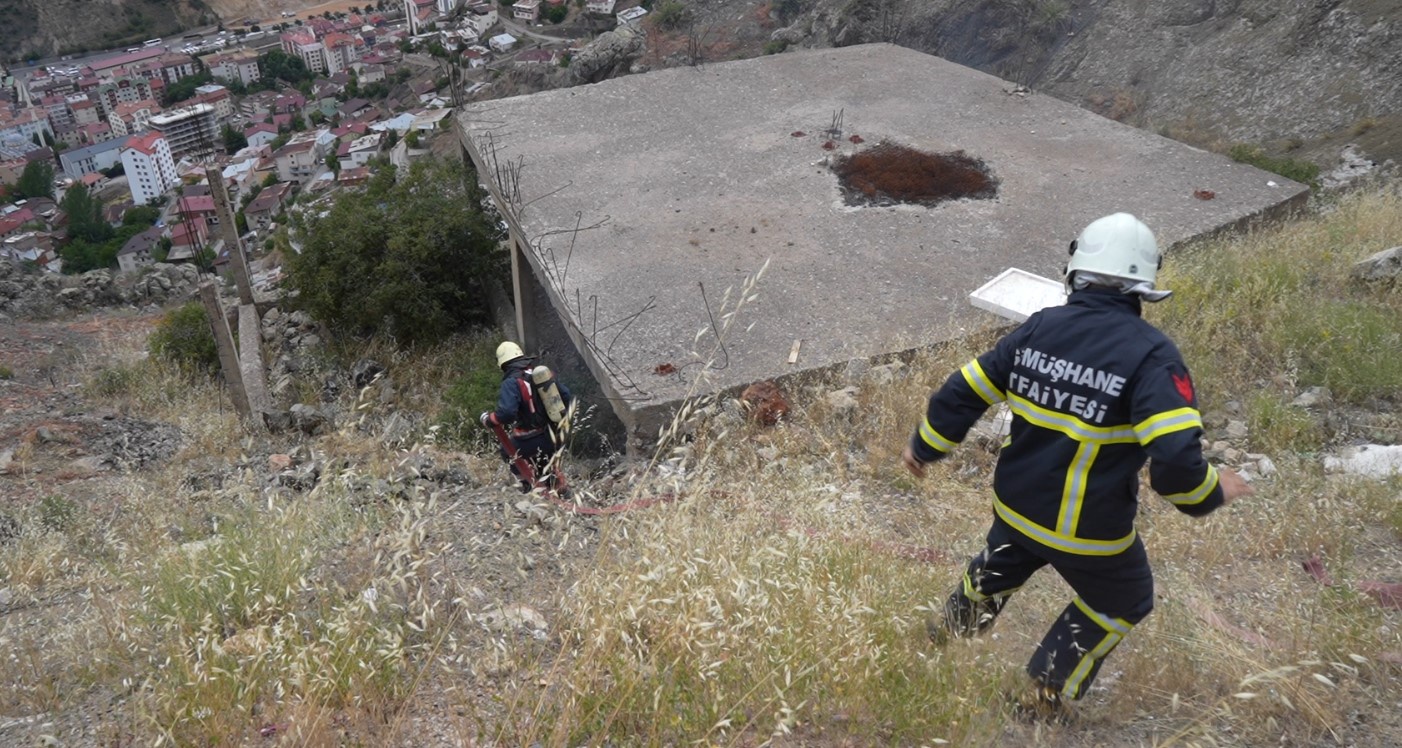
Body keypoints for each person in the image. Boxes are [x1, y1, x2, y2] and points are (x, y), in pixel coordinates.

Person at [901, 213, 1253, 720]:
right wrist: (1212, 492)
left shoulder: (1041, 326)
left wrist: (925, 447)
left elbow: (964, 390)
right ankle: (1040, 693)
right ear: (1144, 286)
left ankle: (940, 641)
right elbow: (1176, 461)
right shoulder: (1152, 357)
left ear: (1076, 269)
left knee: (997, 570)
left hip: (1017, 507)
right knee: (1124, 598)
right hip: (1089, 532)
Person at [480, 341, 574, 493]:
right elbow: (566, 396)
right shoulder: (541, 375)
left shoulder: (511, 382)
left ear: (503, 364)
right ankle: (558, 488)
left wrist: (490, 419)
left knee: (507, 450)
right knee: (545, 462)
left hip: (530, 439)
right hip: (553, 435)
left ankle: (527, 486)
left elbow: (507, 413)